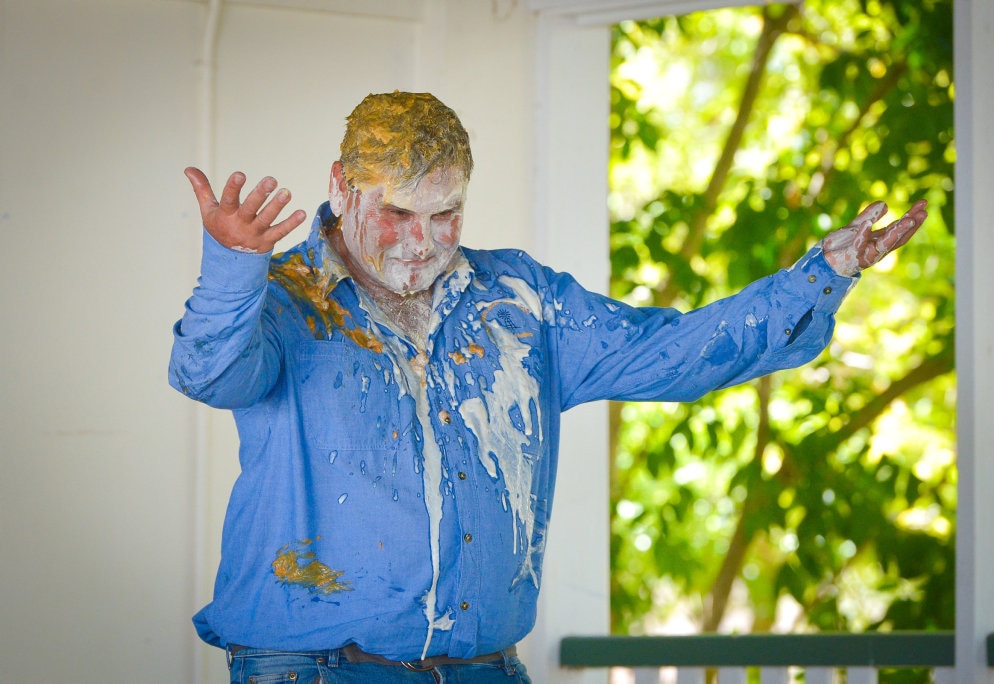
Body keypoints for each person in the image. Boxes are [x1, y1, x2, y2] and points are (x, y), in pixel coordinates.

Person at [170, 91, 927, 683]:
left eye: (446, 214)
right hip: (313, 671)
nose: (422, 241)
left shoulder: (523, 302)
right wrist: (233, 267)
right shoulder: (284, 297)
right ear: (341, 187)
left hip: (486, 671)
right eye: (398, 212)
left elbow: (676, 351)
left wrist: (822, 275)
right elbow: (206, 373)